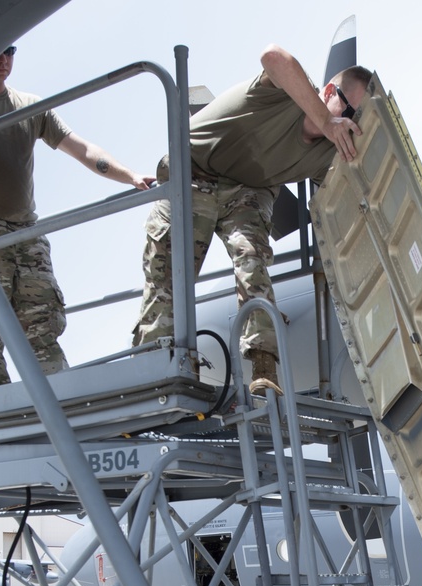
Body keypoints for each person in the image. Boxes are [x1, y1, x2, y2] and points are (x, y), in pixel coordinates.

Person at [131, 45, 372, 396]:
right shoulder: (289, 93)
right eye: (349, 110)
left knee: (252, 260)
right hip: (194, 171)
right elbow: (273, 56)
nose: (349, 124)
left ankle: (263, 367)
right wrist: (326, 120)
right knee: (171, 275)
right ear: (329, 93)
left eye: (358, 119)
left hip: (249, 189)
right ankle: (150, 369)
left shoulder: (329, 154)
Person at [0, 45, 154, 390]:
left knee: (42, 319)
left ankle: (60, 397)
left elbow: (83, 150)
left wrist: (131, 176)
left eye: (9, 52)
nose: (3, 61)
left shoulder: (31, 107)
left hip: (26, 230)